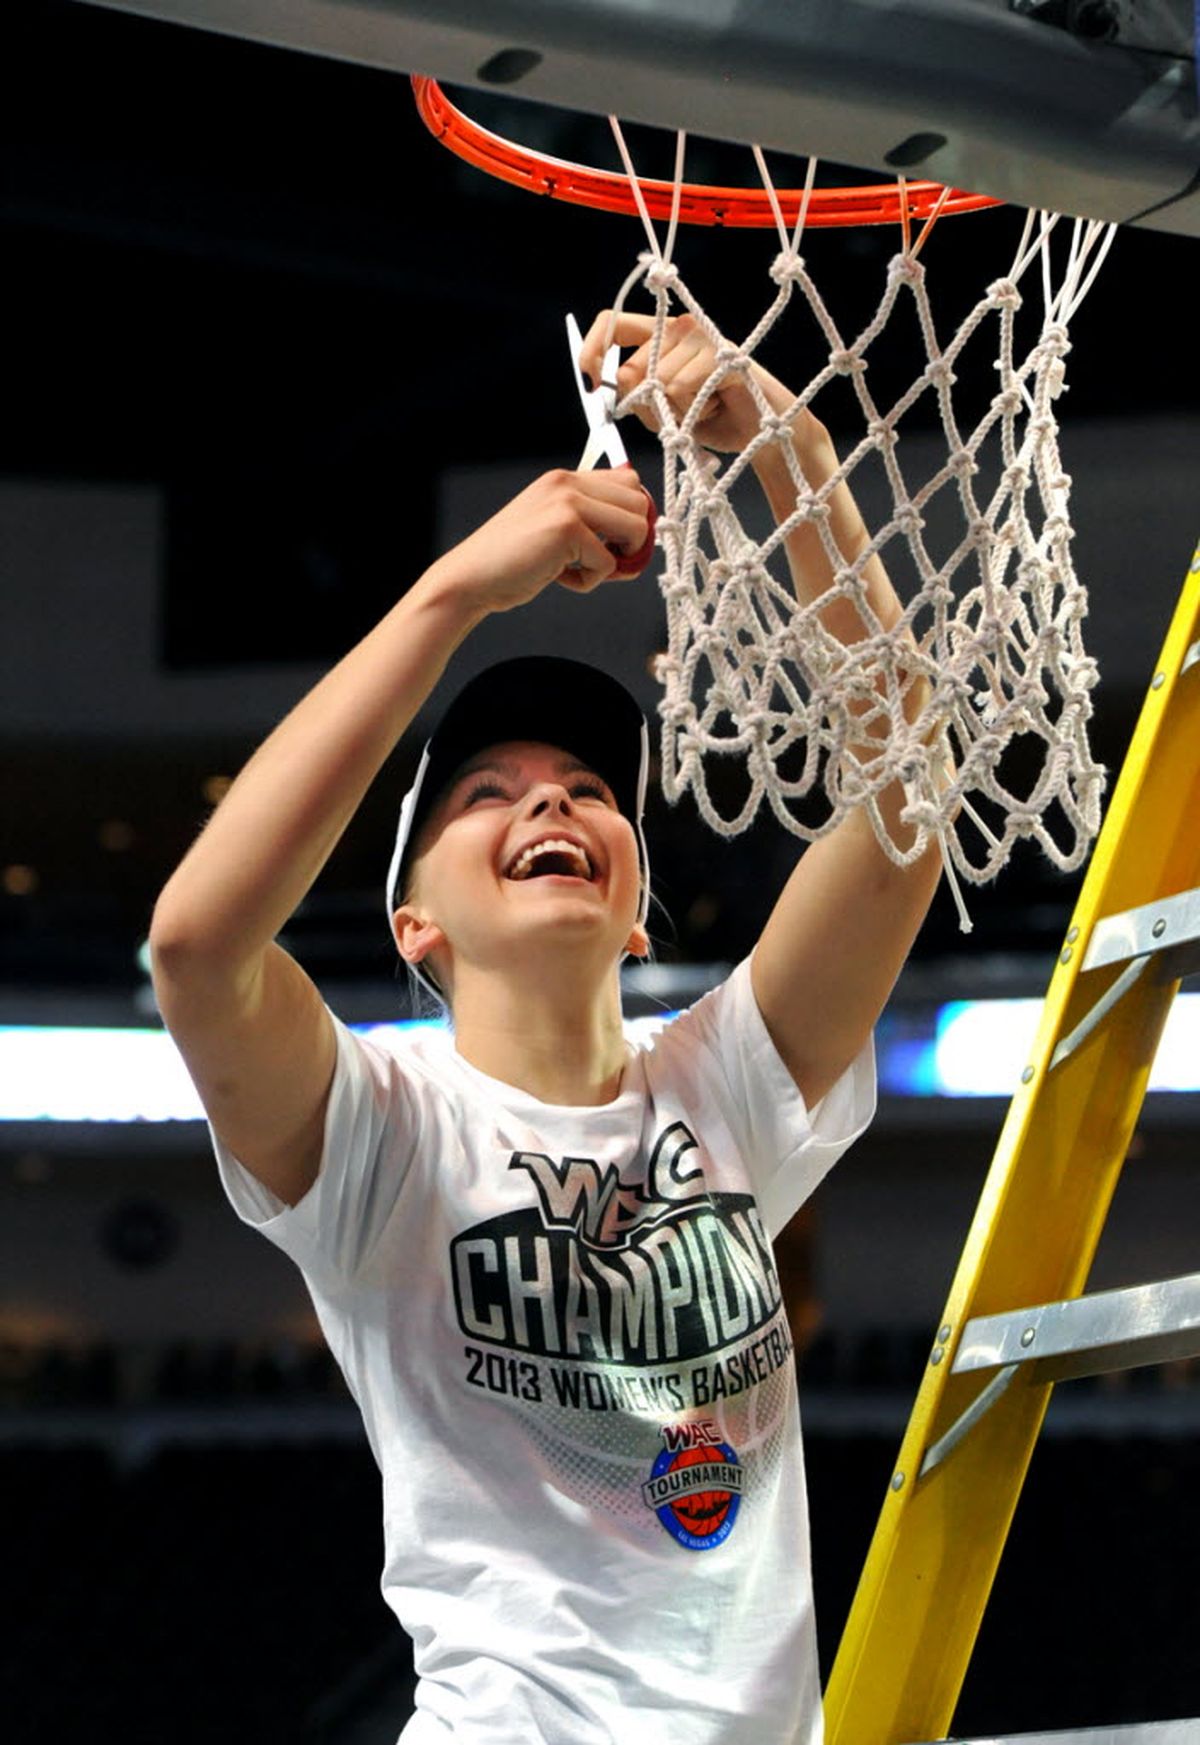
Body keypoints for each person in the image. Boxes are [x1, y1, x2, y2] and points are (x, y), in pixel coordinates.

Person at [150, 312, 943, 1744]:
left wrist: (791, 449)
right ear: (415, 926)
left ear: (639, 907)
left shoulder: (727, 1085)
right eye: (484, 792)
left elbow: (902, 818)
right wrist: (455, 593)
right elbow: (198, 944)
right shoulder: (381, 1127)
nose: (552, 802)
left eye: (586, 786)